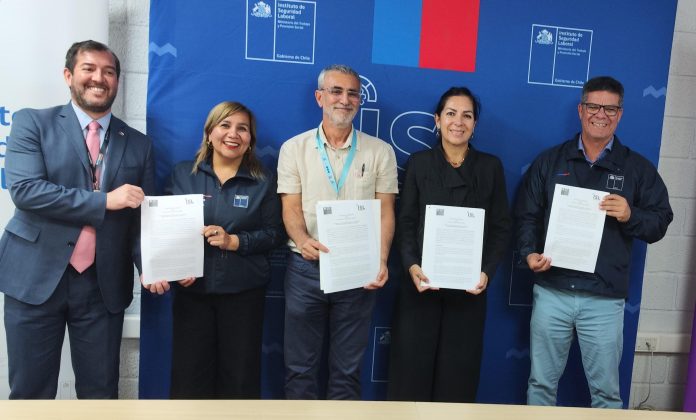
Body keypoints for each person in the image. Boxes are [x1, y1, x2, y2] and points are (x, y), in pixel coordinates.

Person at [0, 40, 167, 399]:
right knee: (30, 392)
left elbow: (141, 219)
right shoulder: (32, 123)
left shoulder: (139, 144)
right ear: (68, 75)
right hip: (34, 277)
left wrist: (151, 265)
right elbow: (27, 191)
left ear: (117, 81)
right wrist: (104, 201)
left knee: (100, 393)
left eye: (109, 72)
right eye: (89, 69)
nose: (99, 78)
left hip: (101, 286)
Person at [516, 76, 673, 408]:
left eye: (610, 108)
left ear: (620, 114)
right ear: (581, 109)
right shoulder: (550, 161)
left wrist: (631, 215)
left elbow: (660, 221)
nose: (601, 114)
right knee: (540, 385)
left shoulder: (637, 168)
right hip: (553, 292)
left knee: (606, 395)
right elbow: (527, 215)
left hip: (604, 300)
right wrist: (529, 253)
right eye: (593, 106)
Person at [277, 64, 398, 399]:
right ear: (320, 97)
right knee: (299, 370)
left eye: (352, 93)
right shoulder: (294, 149)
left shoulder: (380, 151)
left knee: (346, 373)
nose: (344, 99)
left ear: (359, 100)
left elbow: (386, 211)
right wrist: (302, 240)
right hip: (306, 269)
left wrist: (381, 260)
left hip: (358, 272)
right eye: (336, 91)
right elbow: (290, 207)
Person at [387, 87, 511, 402]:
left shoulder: (490, 167)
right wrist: (412, 265)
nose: (458, 122)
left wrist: (486, 272)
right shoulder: (419, 163)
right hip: (421, 286)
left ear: (475, 124)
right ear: (437, 120)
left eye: (467, 115)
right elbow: (406, 222)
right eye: (451, 114)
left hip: (469, 291)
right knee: (410, 376)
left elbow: (500, 228)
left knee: (458, 380)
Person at [165, 101, 285, 399]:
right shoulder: (183, 174)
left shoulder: (263, 181)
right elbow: (165, 230)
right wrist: (175, 269)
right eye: (225, 125)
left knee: (240, 383)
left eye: (242, 128)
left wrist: (235, 242)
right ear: (209, 133)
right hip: (193, 295)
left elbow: (275, 234)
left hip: (243, 296)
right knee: (189, 381)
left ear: (250, 140)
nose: (233, 134)